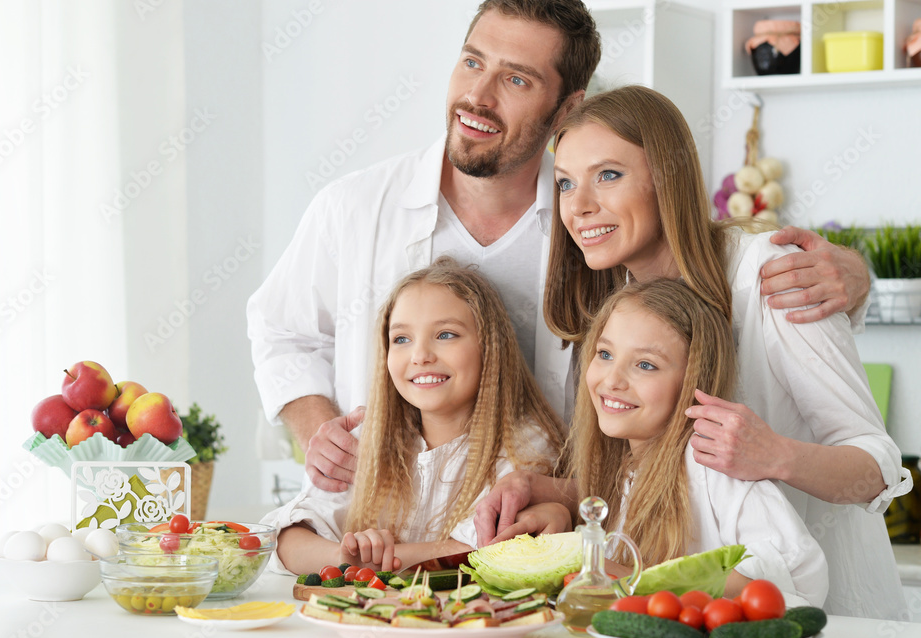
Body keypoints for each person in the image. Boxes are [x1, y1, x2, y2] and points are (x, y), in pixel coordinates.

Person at [247, 0, 869, 494]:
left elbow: (700, 270)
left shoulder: (595, 233)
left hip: (546, 539)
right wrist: (317, 429)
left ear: (568, 105)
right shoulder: (353, 207)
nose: (478, 97)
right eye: (471, 62)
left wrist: (853, 276)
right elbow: (281, 330)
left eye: (515, 78)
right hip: (387, 524)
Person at [474, 85, 910, 619]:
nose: (580, 206)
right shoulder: (620, 309)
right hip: (700, 627)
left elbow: (879, 468)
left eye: (608, 175)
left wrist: (776, 455)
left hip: (832, 621)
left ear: (666, 176)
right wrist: (559, 493)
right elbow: (665, 475)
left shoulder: (769, 276)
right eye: (565, 183)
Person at [262, 258, 567, 574]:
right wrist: (346, 558)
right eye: (402, 339)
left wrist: (377, 563)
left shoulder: (525, 445)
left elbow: (480, 554)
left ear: (490, 347)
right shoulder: (368, 439)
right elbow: (283, 539)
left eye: (446, 334)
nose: (421, 356)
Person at [567, 278, 827, 606]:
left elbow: (797, 569)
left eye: (645, 365)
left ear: (694, 380)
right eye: (605, 353)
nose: (612, 380)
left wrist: (638, 582)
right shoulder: (624, 471)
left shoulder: (710, 462)